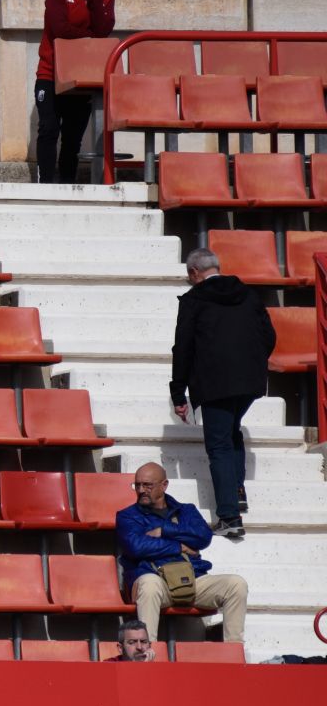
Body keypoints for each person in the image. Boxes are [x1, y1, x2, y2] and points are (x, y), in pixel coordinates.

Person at [169, 247, 275, 539]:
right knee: (231, 431)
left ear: (194, 272)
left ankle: (229, 515)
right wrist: (253, 365)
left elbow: (183, 349)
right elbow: (269, 336)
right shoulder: (248, 294)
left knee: (218, 446)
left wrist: (179, 394)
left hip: (215, 382)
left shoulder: (194, 301)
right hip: (250, 381)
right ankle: (236, 489)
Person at [117, 461, 248, 643]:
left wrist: (164, 530)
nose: (140, 490)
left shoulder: (187, 510)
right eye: (137, 485)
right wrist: (179, 546)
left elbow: (203, 537)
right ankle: (146, 655)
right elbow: (137, 546)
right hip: (155, 578)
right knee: (149, 585)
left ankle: (234, 655)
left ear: (164, 485)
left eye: (147, 485)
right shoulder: (127, 516)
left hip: (191, 578)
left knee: (236, 584)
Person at [34, 0, 115, 184]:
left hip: (83, 76)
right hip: (50, 73)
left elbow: (104, 30)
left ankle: (67, 184)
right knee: (49, 129)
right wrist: (90, 36)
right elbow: (59, 28)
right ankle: (45, 184)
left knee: (72, 138)